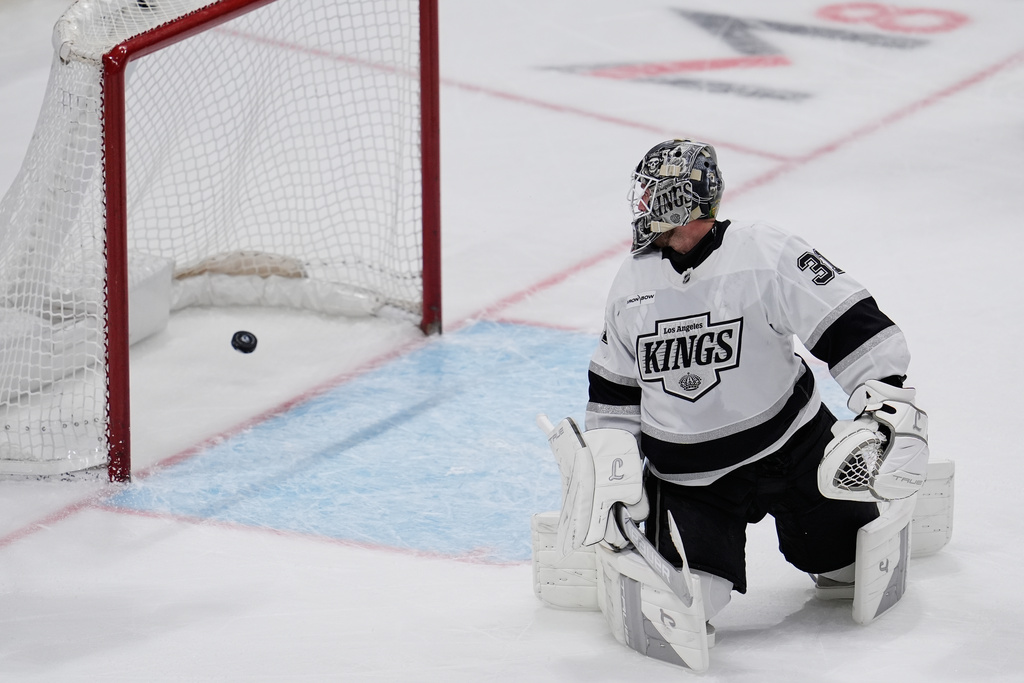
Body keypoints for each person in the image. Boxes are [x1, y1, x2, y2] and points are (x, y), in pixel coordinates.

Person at [584, 138, 928, 629]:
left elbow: (850, 324)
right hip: (690, 479)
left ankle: (901, 495)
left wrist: (888, 409)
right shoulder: (631, 281)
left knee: (848, 569)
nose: (641, 204)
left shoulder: (763, 251)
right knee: (682, 604)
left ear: (681, 200)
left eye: (652, 193)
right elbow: (614, 394)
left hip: (794, 448)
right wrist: (612, 469)